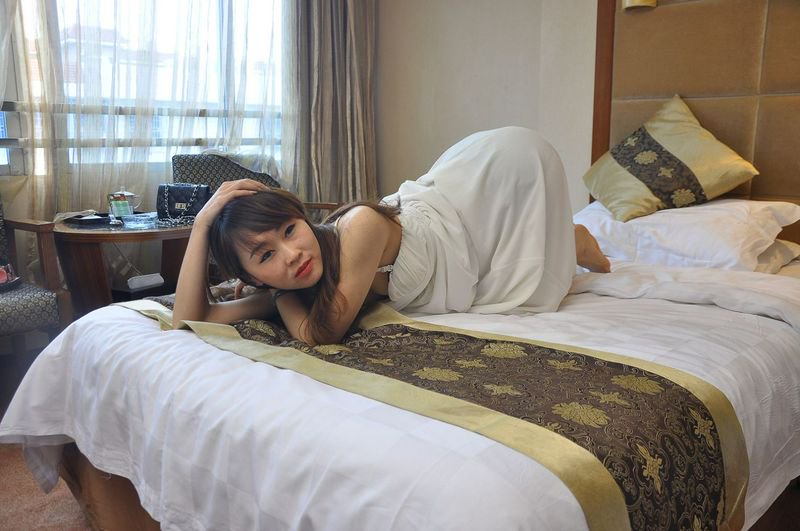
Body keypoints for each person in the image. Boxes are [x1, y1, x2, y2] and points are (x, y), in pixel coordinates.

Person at [172, 127, 610, 345]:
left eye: (290, 229)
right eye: (266, 256)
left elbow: (322, 333)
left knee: (521, 259)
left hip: (491, 179)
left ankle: (571, 239)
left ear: (303, 219)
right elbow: (190, 319)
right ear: (251, 274)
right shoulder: (293, 281)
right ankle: (565, 238)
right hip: (442, 241)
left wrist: (278, 293)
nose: (291, 254)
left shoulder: (357, 228)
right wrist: (202, 225)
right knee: (520, 251)